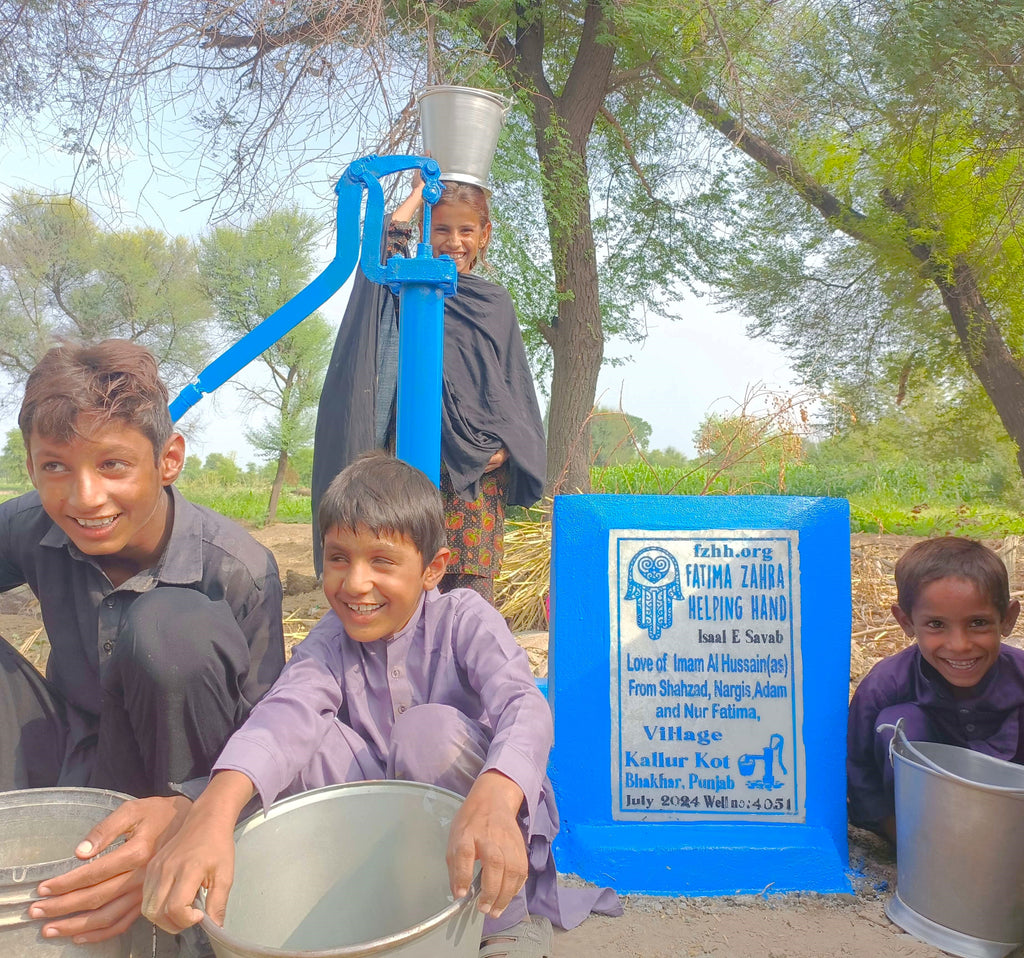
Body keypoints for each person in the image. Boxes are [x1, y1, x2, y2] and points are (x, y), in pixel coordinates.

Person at [142, 452, 619, 957]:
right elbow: (283, 716)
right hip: (389, 843)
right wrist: (214, 811)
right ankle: (385, 912)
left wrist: (499, 795)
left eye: (382, 561)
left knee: (426, 734)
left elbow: (524, 705)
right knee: (310, 743)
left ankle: (504, 920)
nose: (355, 584)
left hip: (481, 821)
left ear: (432, 569)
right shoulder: (328, 641)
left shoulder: (464, 619)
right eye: (339, 557)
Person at [0, 339, 286, 948]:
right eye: (55, 467)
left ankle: (182, 899)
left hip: (186, 786)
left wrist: (194, 807)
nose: (84, 498)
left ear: (169, 459)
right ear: (31, 465)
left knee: (169, 628)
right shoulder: (32, 524)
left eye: (112, 466)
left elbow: (275, 733)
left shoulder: (238, 567)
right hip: (68, 762)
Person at [311, 173, 547, 604]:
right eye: (441, 229)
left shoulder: (494, 302)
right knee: (408, 581)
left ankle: (465, 672)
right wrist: (419, 194)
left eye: (465, 230)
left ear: (485, 234)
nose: (453, 241)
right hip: (415, 461)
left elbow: (513, 385)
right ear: (426, 230)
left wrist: (509, 448)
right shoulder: (409, 286)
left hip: (478, 474)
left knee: (471, 599)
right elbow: (379, 248)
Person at [847, 536, 1023, 842]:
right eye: (936, 625)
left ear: (1007, 619)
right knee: (899, 722)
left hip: (1011, 825)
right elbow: (858, 769)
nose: (960, 645)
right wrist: (899, 835)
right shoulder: (885, 685)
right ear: (906, 622)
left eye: (978, 622)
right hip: (923, 832)